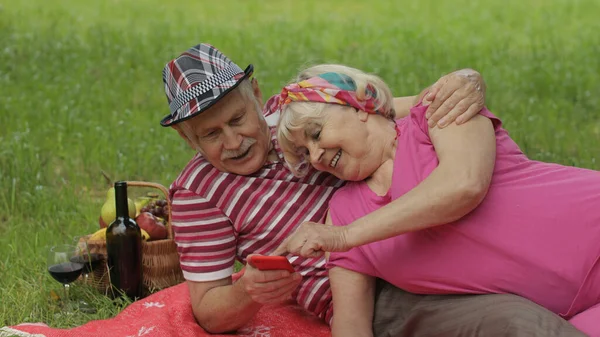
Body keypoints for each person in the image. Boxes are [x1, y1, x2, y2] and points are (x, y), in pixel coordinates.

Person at [160, 43, 585, 336]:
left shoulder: (293, 114)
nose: (233, 142)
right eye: (210, 135)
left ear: (255, 94)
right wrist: (247, 291)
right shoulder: (197, 194)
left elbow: (378, 105)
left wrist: (464, 80)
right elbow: (209, 312)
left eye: (237, 121)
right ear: (187, 139)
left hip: (430, 238)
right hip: (375, 292)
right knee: (519, 322)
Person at [273, 64, 600, 337]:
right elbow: (352, 324)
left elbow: (463, 185)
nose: (315, 155)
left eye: (316, 134)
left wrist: (346, 237)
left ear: (358, 106)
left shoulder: (436, 115)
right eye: (304, 153)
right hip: (571, 313)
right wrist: (342, 235)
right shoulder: (343, 214)